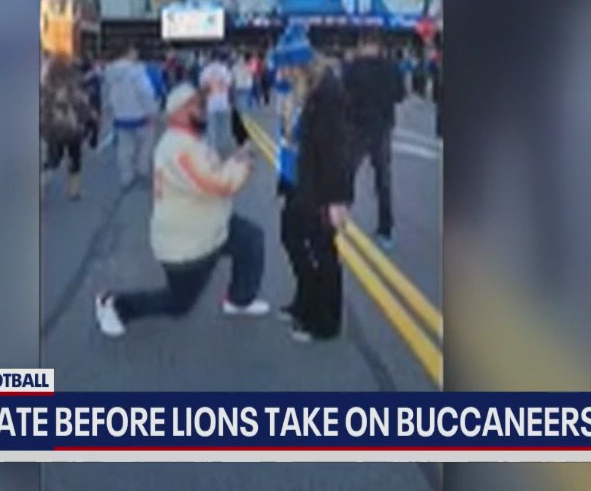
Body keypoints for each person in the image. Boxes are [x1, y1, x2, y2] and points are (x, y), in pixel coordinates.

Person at [94, 83, 269, 337]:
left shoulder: (191, 141)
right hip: (188, 244)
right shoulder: (179, 148)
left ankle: (239, 299)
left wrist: (233, 160)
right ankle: (115, 304)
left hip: (212, 227)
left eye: (202, 104)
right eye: (196, 106)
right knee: (178, 305)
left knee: (251, 239)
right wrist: (243, 163)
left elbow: (212, 172)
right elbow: (218, 184)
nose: (203, 110)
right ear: (177, 112)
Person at [270, 23, 354, 342]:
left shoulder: (327, 93)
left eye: (287, 67)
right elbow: (291, 139)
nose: (283, 74)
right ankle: (304, 302)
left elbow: (336, 151)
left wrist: (336, 201)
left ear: (300, 64)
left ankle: (325, 322)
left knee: (322, 253)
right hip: (296, 181)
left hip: (318, 188)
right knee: (292, 240)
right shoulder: (298, 90)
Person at [342, 31, 405, 250]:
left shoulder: (352, 67)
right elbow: (400, 95)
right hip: (382, 128)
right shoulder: (390, 67)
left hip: (356, 127)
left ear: (361, 44)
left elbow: (343, 95)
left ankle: (339, 220)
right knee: (383, 181)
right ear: (378, 45)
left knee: (347, 175)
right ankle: (385, 230)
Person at [103, 45, 159, 188]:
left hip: (121, 115)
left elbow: (105, 94)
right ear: (128, 53)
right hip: (140, 114)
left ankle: (126, 177)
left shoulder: (109, 72)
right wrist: (151, 110)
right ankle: (142, 171)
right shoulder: (136, 71)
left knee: (124, 148)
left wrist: (109, 110)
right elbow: (145, 92)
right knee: (145, 145)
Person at [41, 54, 95, 200]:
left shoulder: (46, 85)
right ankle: (74, 191)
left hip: (52, 127)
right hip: (72, 127)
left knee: (53, 159)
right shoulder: (73, 83)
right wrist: (90, 118)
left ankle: (41, 183)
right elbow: (81, 104)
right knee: (74, 158)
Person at [197, 49, 234, 156]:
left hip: (211, 103)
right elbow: (229, 84)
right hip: (223, 102)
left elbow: (202, 86)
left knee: (212, 127)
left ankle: (213, 149)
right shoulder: (224, 69)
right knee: (223, 127)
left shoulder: (206, 70)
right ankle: (221, 147)